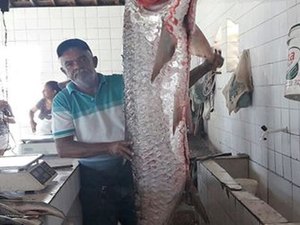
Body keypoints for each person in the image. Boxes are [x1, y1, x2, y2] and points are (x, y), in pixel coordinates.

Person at [52, 38, 223, 225]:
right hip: (94, 180)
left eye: (82, 59)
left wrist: (206, 67)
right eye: (69, 64)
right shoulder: (63, 101)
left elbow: (170, 89)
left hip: (134, 173)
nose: (77, 66)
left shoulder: (121, 84)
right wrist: (110, 148)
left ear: (94, 61)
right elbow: (64, 148)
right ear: (63, 71)